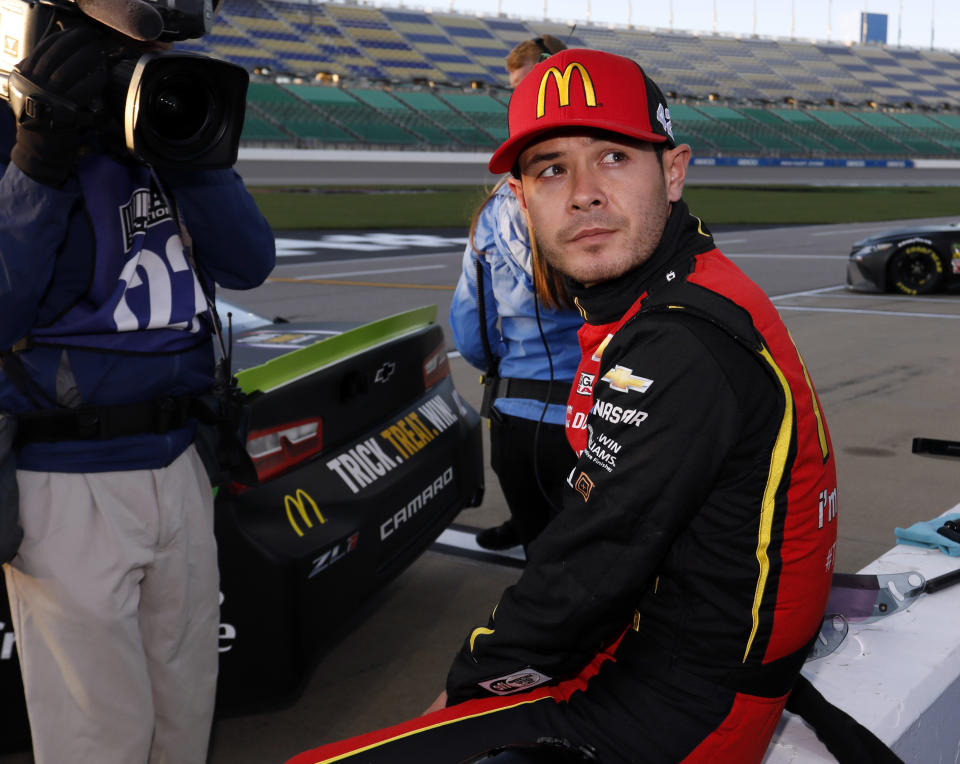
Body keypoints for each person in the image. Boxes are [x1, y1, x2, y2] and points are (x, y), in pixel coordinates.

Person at [286, 49, 838, 764]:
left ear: (673, 173)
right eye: (552, 168)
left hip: (680, 703)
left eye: (612, 157)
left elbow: (582, 572)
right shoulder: (680, 289)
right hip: (665, 658)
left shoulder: (677, 342)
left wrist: (467, 688)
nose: (582, 193)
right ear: (522, 199)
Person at [0, 12, 275, 764]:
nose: (149, 60)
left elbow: (250, 260)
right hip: (67, 476)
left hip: (183, 457)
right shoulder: (10, 133)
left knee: (185, 716)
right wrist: (35, 161)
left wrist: (189, 149)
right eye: (126, 46)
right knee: (98, 737)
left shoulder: (165, 121)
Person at [450, 34, 583, 551]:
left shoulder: (491, 214)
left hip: (519, 418)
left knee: (544, 571)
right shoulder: (606, 199)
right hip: (599, 419)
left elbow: (472, 333)